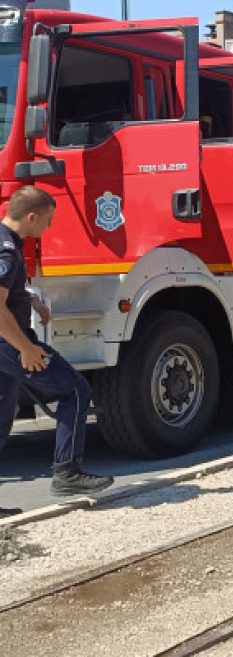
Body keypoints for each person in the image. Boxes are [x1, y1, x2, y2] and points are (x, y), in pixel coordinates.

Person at [0, 186, 112, 516]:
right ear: (31, 217)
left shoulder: (5, 241)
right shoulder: (7, 250)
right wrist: (26, 348)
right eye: (47, 221)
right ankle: (68, 473)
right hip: (10, 343)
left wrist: (28, 299)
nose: (48, 227)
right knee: (75, 390)